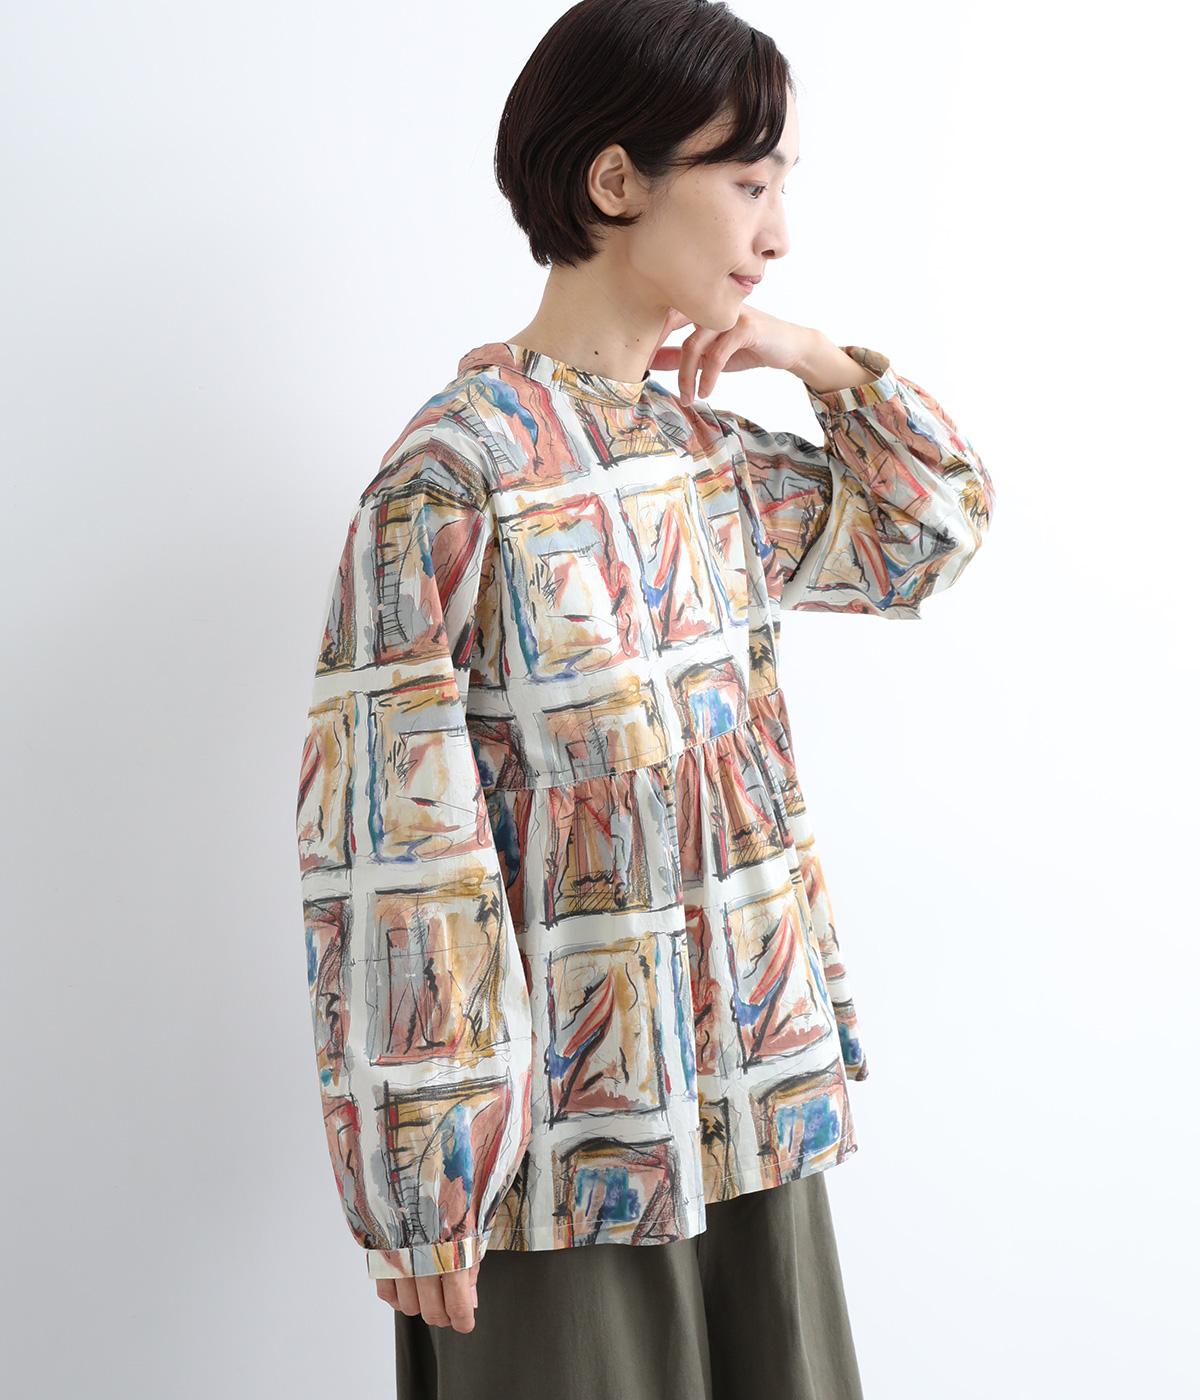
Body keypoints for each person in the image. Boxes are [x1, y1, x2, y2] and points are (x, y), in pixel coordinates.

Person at [294, 2, 996, 1396]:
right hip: (562, 1154)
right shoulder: (454, 476)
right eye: (748, 183)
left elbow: (927, 533)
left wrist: (821, 362)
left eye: (781, 185)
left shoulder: (704, 460)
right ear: (616, 182)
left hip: (749, 1106)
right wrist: (424, 1177)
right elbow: (390, 853)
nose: (777, 231)